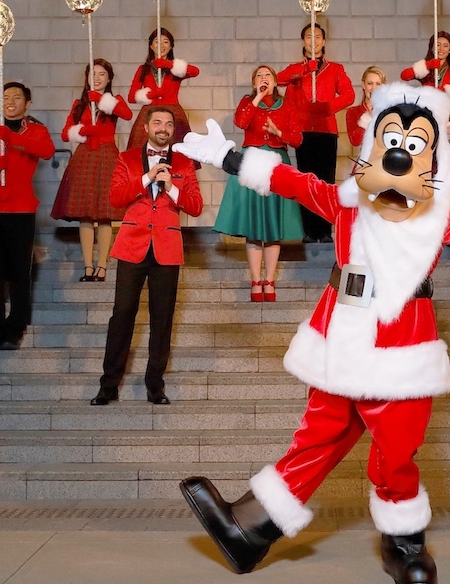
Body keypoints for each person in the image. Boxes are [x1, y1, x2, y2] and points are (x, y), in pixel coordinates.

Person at [173, 84, 450, 584]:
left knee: (396, 449)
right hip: (341, 332)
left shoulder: (438, 221)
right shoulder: (346, 203)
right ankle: (249, 528)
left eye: (414, 145)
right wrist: (227, 156)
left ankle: (404, 541)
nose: (398, 153)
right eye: (391, 139)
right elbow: (289, 180)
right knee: (319, 433)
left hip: (401, 343)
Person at [92, 106, 203, 406]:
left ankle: (155, 384)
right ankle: (109, 384)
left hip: (167, 248)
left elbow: (195, 205)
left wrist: (173, 189)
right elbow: (115, 198)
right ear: (146, 127)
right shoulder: (126, 159)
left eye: (168, 124)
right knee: (123, 314)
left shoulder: (184, 162)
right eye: (158, 122)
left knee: (162, 318)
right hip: (132, 245)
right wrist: (146, 178)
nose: (163, 128)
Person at [0, 80, 55, 350]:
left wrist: (14, 140)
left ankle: (16, 328)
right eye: (6, 98)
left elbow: (47, 151)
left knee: (19, 272)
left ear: (27, 103)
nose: (11, 102)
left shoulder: (36, 131)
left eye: (17, 97)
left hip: (21, 209)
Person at [216, 65, 304, 302]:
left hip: (277, 163)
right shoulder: (248, 102)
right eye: (259, 76)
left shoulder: (287, 105)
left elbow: (297, 139)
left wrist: (279, 132)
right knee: (254, 225)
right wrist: (256, 97)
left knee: (273, 227)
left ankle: (270, 279)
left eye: (268, 76)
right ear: (254, 82)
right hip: (253, 162)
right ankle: (255, 279)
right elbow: (241, 122)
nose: (264, 79)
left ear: (276, 82)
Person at [51, 58, 132, 282]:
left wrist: (104, 101)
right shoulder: (79, 104)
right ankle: (88, 266)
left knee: (105, 215)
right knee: (85, 215)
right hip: (85, 156)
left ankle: (102, 266)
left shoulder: (113, 101)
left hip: (107, 156)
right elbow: (66, 133)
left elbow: (127, 114)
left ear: (109, 79)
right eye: (92, 74)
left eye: (101, 74)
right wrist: (86, 129)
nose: (96, 78)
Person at [275, 23, 355, 242]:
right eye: (309, 37)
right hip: (303, 132)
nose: (313, 41)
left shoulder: (336, 69)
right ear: (303, 41)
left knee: (326, 182)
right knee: (306, 182)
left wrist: (328, 107)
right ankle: (309, 231)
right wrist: (304, 70)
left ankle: (325, 230)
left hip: (326, 131)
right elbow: (278, 79)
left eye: (317, 37)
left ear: (324, 41)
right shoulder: (295, 70)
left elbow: (349, 95)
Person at [126, 26, 200, 150]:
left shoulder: (175, 69)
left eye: (166, 42)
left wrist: (168, 64)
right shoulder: (143, 69)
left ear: (171, 46)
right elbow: (131, 97)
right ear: (151, 46)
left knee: (176, 152)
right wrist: (150, 95)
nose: (161, 45)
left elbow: (195, 71)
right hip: (149, 113)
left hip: (173, 113)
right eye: (157, 42)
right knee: (141, 153)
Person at [400, 31, 450, 136]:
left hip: (447, 111)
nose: (441, 49)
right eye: (438, 45)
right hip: (426, 109)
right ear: (432, 47)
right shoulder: (426, 66)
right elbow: (404, 75)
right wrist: (428, 65)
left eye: (445, 46)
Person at [346, 66, 386, 148]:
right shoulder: (353, 112)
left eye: (378, 84)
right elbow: (355, 141)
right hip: (364, 158)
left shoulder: (389, 111)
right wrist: (368, 116)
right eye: (370, 83)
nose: (374, 88)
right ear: (363, 85)